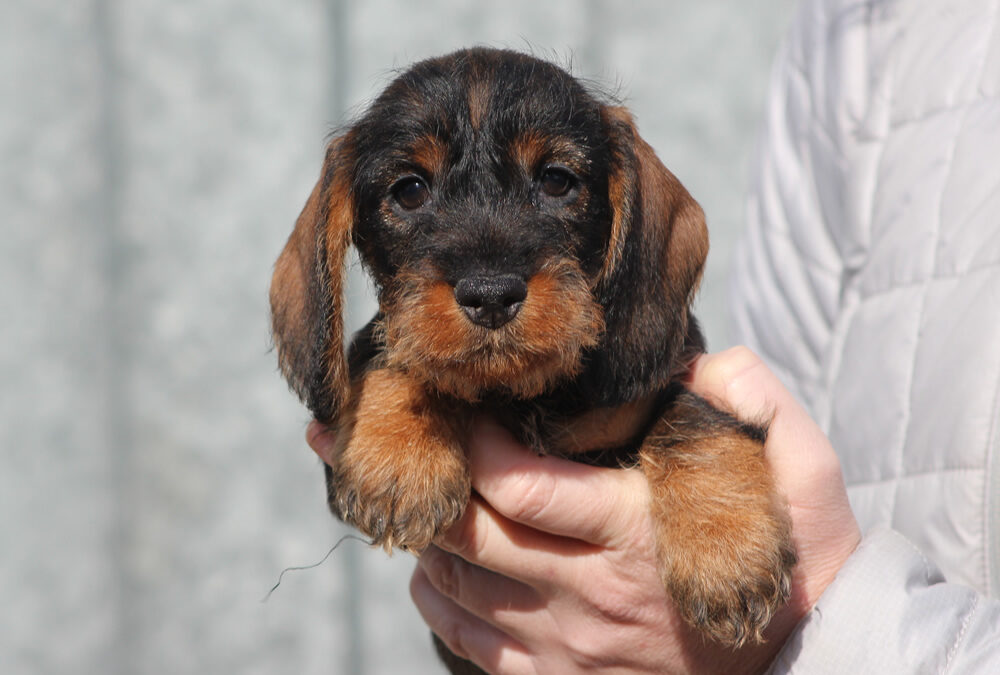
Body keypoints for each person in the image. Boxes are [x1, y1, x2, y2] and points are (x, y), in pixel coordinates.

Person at [310, 0, 1000, 671]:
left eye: (556, 182)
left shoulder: (644, 362)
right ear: (351, 227)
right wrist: (385, 401)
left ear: (620, 216)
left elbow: (701, 399)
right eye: (408, 192)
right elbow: (349, 409)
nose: (489, 281)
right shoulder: (856, 25)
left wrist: (808, 640)